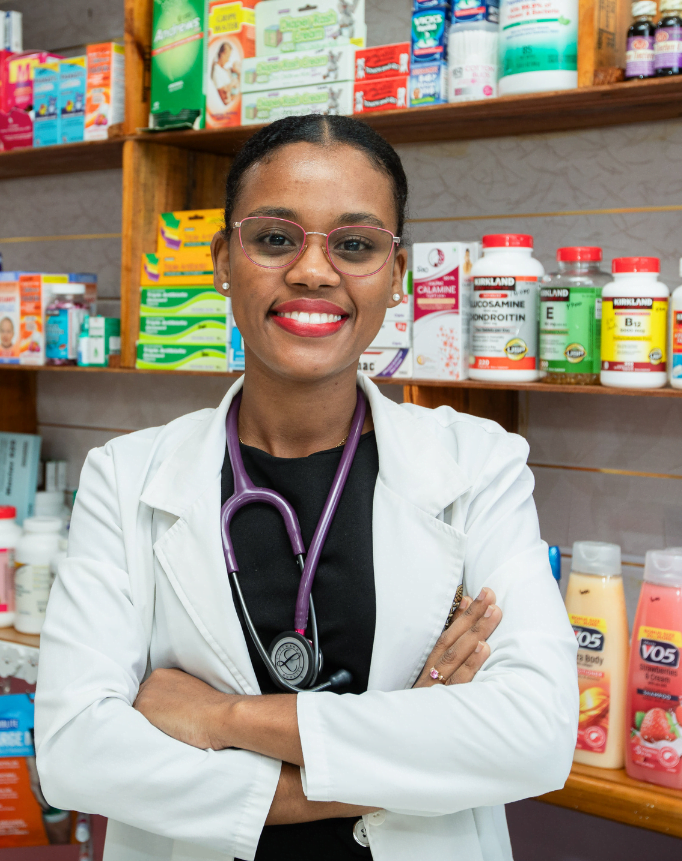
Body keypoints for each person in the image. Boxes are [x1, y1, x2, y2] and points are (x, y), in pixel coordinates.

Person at [35, 115, 577, 861]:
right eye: (274, 238)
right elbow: (73, 753)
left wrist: (225, 717)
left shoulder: (478, 466)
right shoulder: (127, 476)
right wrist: (404, 744)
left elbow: (534, 737)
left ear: (397, 275)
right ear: (224, 259)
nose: (313, 272)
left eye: (355, 245)